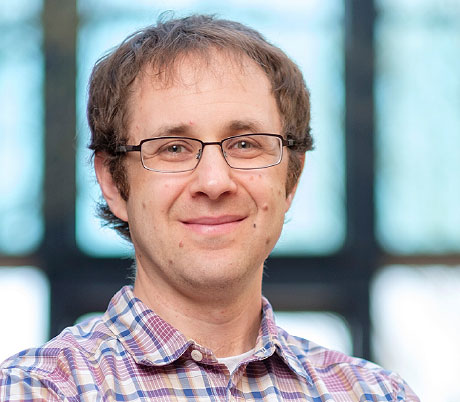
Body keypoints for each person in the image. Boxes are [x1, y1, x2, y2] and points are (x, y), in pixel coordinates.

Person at [0, 14, 419, 401]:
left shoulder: (376, 393)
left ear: (290, 177)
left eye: (245, 144)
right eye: (174, 148)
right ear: (112, 182)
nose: (215, 182)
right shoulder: (35, 390)